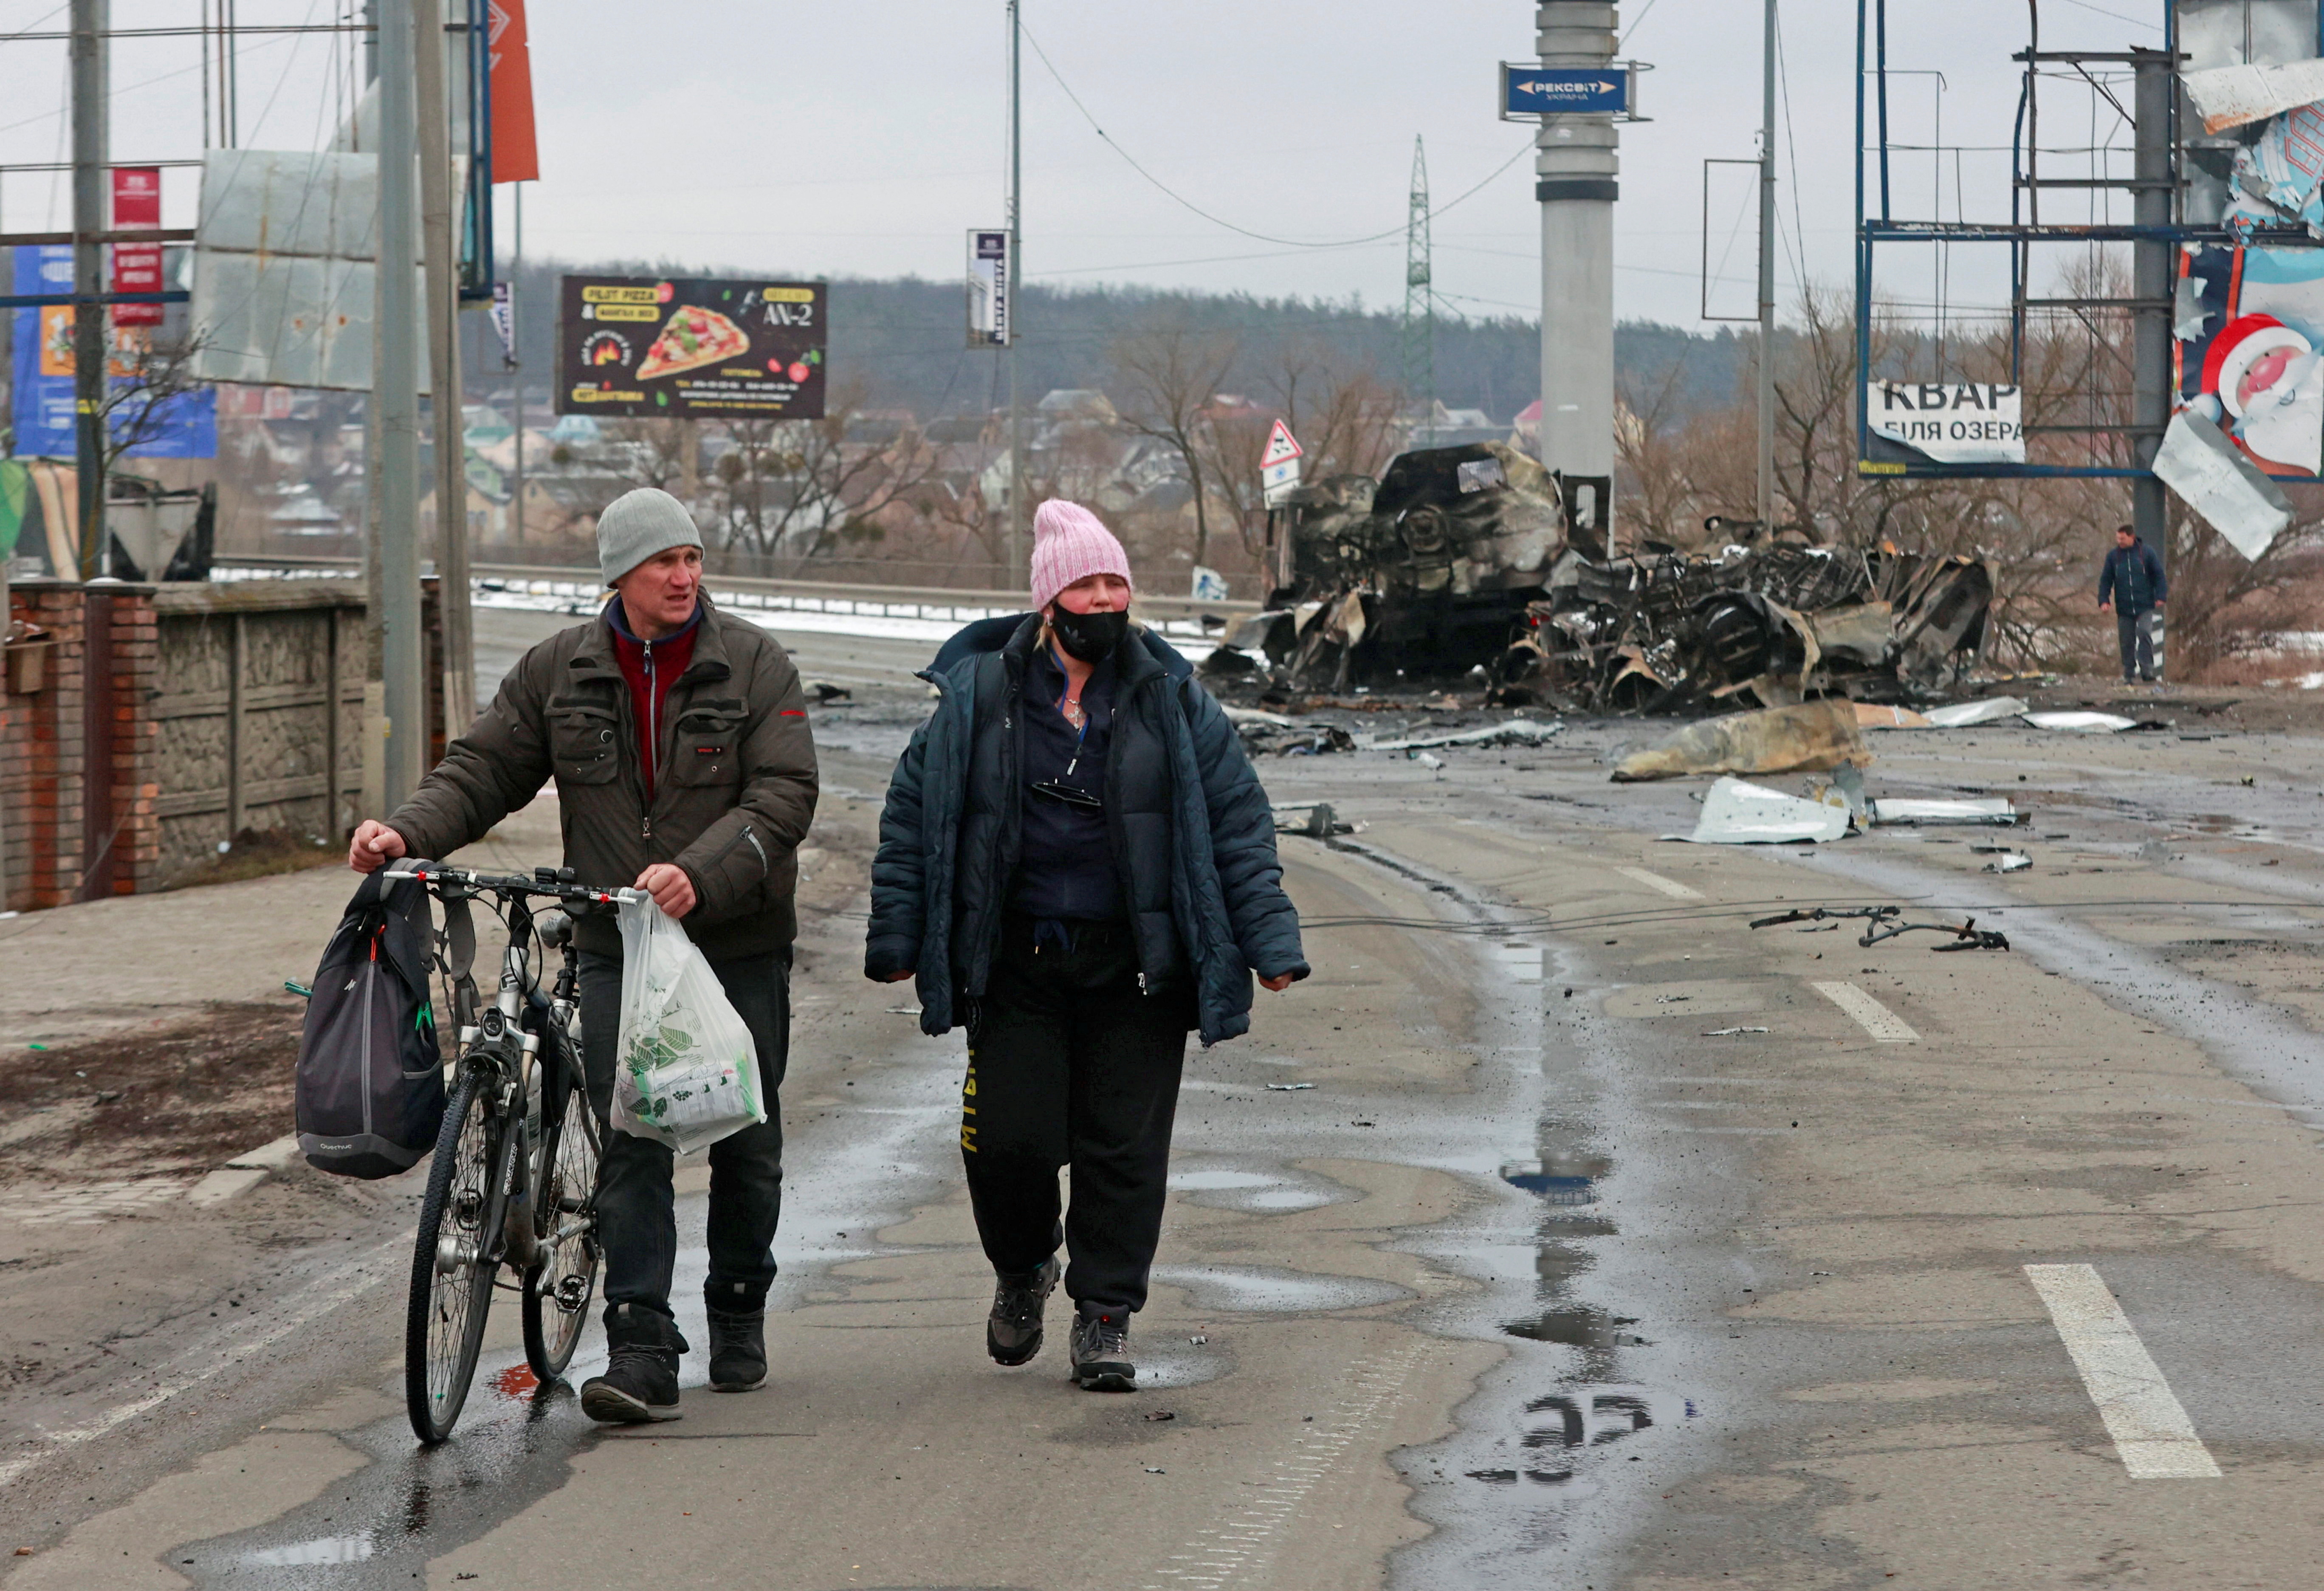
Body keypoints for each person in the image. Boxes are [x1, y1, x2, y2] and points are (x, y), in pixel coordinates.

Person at [346, 486, 817, 1425]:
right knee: (632, 1133)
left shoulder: (756, 665)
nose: (684, 576)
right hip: (617, 943)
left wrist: (698, 873)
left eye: (691, 558)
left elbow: (784, 796)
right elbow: (483, 769)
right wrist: (404, 835)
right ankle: (642, 1345)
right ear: (620, 576)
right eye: (662, 562)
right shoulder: (562, 671)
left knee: (745, 1140)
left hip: (734, 939)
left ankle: (736, 1308)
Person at [864, 499, 1308, 1391]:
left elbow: (1237, 825)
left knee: (1123, 1149)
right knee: (1008, 1146)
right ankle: (1025, 1266)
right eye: (1086, 584)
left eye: (1117, 584)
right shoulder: (980, 696)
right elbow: (916, 817)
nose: (1104, 600)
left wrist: (1270, 940)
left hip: (1139, 967)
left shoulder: (1174, 697)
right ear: (1048, 600)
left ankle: (1105, 1316)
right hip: (1018, 962)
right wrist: (899, 934)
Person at [2097, 523, 2168, 684]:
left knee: (2144, 633)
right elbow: (2106, 580)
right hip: (2124, 606)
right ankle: (2129, 673)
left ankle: (2147, 670)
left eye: (2122, 538)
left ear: (2132, 537)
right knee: (2126, 640)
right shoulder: (2113, 557)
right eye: (2118, 538)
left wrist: (2161, 595)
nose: (2119, 541)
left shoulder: (2147, 553)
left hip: (2145, 604)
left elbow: (2159, 576)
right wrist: (2104, 600)